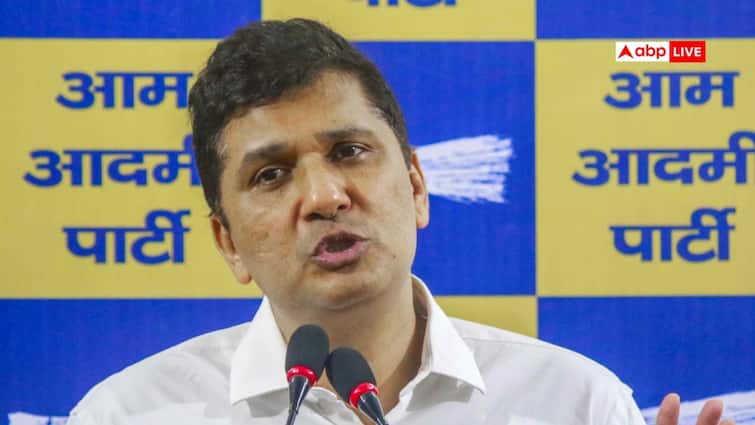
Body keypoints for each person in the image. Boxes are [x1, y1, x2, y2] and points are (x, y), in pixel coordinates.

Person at [67, 18, 734, 425]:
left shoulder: (574, 403)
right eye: (270, 174)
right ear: (228, 242)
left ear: (415, 188)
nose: (325, 196)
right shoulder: (128, 413)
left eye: (348, 152)